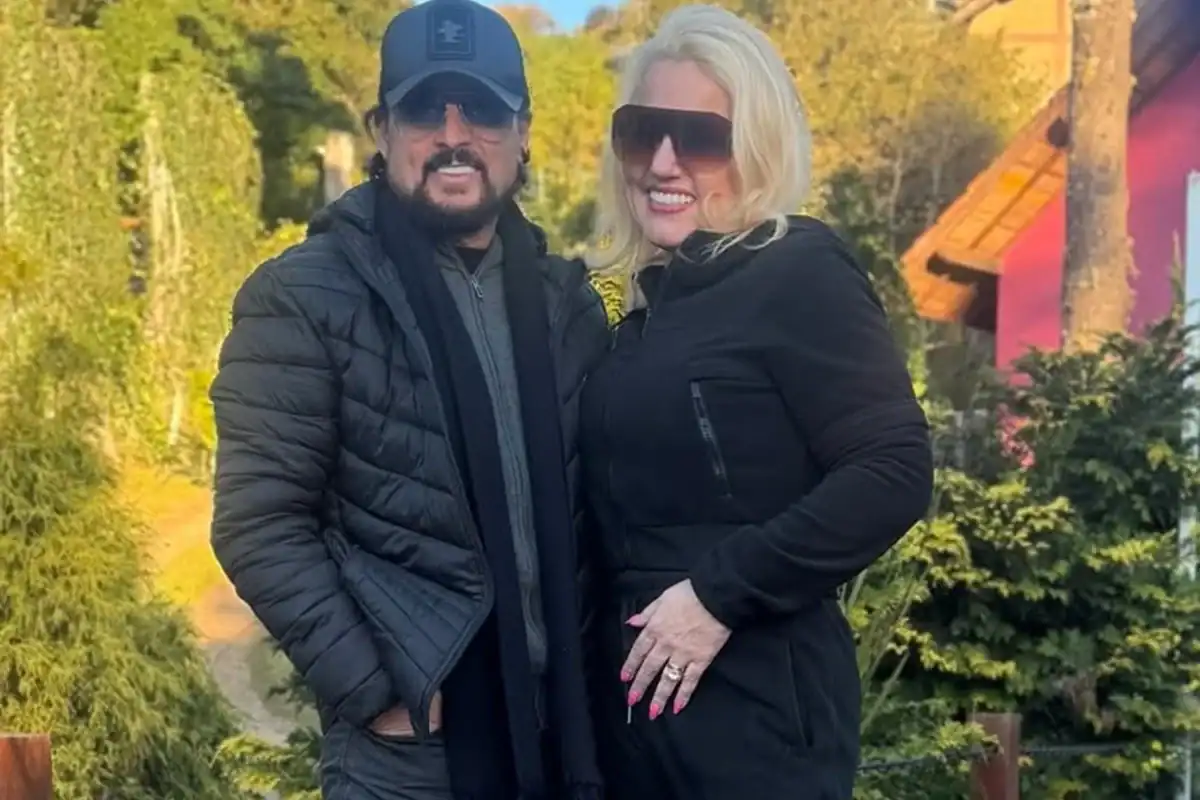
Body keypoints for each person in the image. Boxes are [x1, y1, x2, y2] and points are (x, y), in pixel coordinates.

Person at [208, 1, 607, 798]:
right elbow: (260, 522)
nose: (454, 134)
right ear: (382, 131)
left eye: (482, 110)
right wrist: (378, 693)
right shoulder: (303, 296)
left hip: (563, 736)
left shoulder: (568, 304)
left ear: (523, 133)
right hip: (408, 759)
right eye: (425, 110)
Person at [579, 5, 935, 799]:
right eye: (642, 131)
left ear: (757, 145)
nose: (663, 162)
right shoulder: (641, 311)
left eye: (699, 138)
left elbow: (894, 470)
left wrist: (717, 595)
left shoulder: (799, 272)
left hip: (758, 724)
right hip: (631, 739)